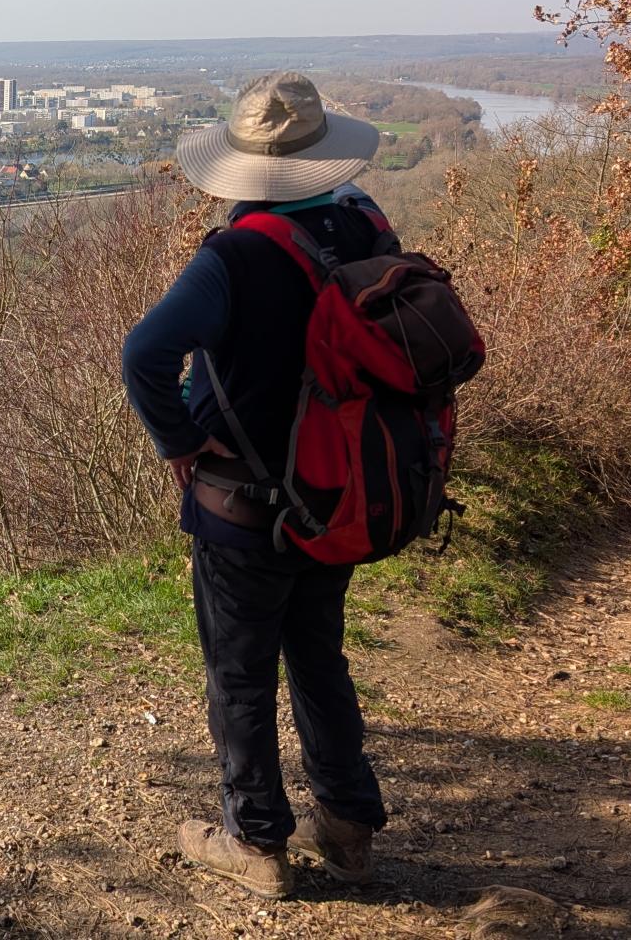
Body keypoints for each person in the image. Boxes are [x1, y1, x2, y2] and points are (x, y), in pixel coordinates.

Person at [121, 72, 390, 900]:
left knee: (240, 674)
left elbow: (144, 357)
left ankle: (258, 844)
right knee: (319, 657)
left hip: (241, 507)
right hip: (342, 493)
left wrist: (180, 441)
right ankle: (346, 826)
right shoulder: (366, 225)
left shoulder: (235, 254)